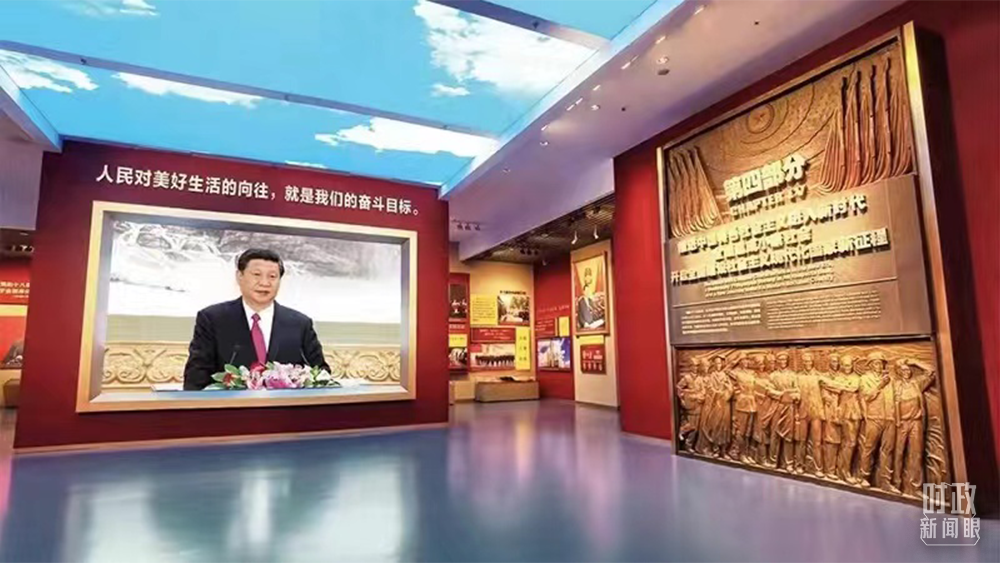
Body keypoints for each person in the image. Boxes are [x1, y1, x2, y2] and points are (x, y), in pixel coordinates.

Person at [182, 249, 330, 390]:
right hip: (230, 406)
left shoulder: (299, 324)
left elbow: (321, 374)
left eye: (272, 276)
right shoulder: (213, 319)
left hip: (286, 407)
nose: (264, 283)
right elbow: (196, 377)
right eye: (257, 274)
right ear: (239, 276)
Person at [892, 358, 937, 497]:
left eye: (908, 369)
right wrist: (897, 421)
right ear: (898, 372)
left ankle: (915, 487)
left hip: (915, 422)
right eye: (903, 370)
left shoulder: (916, 383)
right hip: (900, 423)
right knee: (898, 453)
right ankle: (896, 484)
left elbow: (931, 371)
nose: (907, 372)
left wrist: (915, 362)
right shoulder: (895, 385)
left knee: (916, 454)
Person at [856, 352, 899, 493]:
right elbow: (867, 396)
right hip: (874, 417)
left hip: (889, 418)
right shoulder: (865, 379)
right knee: (869, 448)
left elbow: (896, 397)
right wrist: (880, 385)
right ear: (870, 365)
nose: (879, 366)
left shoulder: (890, 379)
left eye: (881, 363)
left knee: (888, 450)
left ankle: (886, 481)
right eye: (876, 363)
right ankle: (864, 477)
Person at [793, 352, 824, 476]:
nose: (807, 363)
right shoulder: (798, 377)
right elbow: (795, 393)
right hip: (802, 412)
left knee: (817, 442)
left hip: (816, 413)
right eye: (805, 361)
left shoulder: (818, 376)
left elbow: (828, 387)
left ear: (812, 362)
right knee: (801, 441)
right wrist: (796, 408)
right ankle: (799, 465)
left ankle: (818, 469)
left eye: (809, 361)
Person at [769, 352, 799, 471]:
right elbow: (769, 390)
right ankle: (773, 461)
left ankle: (789, 463)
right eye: (780, 360)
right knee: (774, 435)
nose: (782, 362)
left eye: (784, 360)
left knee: (788, 436)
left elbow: (797, 390)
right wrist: (781, 394)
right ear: (777, 361)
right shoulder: (773, 375)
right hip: (776, 406)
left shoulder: (792, 375)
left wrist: (794, 396)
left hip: (789, 408)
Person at [727, 355, 758, 463]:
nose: (745, 362)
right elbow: (726, 370)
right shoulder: (737, 373)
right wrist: (735, 360)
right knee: (741, 430)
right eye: (742, 360)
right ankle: (737, 452)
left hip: (752, 403)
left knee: (749, 431)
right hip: (742, 402)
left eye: (746, 360)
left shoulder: (752, 373)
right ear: (739, 362)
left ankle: (746, 453)